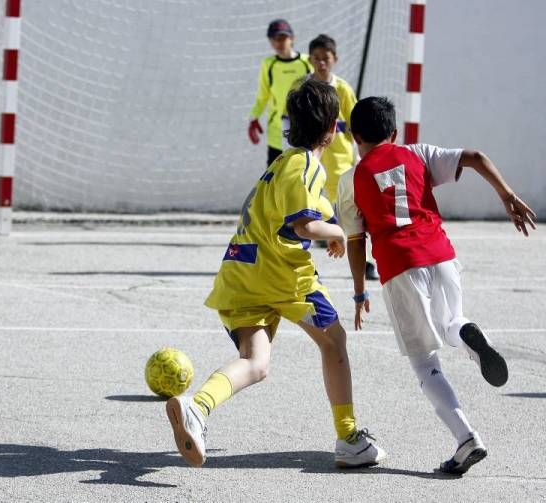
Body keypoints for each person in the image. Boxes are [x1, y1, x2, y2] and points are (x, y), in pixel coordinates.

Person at [167, 80, 386, 469]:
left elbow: (303, 213)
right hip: (281, 275)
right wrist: (340, 232)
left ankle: (196, 407)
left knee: (256, 362)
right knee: (333, 341)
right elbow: (304, 226)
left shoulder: (279, 165)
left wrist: (329, 223)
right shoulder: (304, 164)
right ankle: (349, 436)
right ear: (332, 128)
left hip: (239, 273)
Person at [335, 96, 537, 475]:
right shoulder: (419, 153)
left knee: (425, 362)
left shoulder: (350, 179)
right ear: (394, 132)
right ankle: (468, 333)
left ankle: (466, 438)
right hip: (442, 255)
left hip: (400, 266)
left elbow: (356, 240)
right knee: (452, 322)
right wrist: (507, 196)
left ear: (354, 135)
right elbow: (475, 156)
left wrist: (360, 291)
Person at [290, 34, 379, 280]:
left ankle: (365, 261)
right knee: (303, 214)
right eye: (316, 59)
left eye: (325, 59)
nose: (321, 63)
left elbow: (356, 123)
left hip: (339, 161)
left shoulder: (343, 89)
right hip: (311, 161)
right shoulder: (301, 87)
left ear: (334, 60)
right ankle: (300, 264)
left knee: (350, 213)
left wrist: (360, 155)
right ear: (310, 59)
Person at [248, 19, 312, 167]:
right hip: (277, 133)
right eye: (275, 39)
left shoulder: (306, 62)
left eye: (283, 38)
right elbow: (263, 96)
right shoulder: (269, 64)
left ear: (292, 38)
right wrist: (254, 117)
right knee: (274, 177)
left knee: (300, 173)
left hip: (303, 131)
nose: (279, 43)